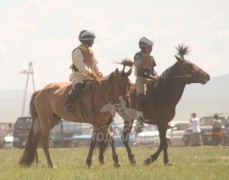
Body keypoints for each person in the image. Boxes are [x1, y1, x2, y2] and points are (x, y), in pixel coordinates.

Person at [64, 29, 102, 113]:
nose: (93, 42)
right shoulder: (77, 51)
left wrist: (98, 72)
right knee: (79, 86)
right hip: (79, 76)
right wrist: (90, 73)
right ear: (87, 40)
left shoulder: (90, 51)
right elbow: (80, 66)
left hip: (89, 76)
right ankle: (69, 103)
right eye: (92, 40)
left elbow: (94, 64)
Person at [134, 36, 158, 120]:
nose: (151, 48)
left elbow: (153, 69)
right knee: (141, 96)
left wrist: (155, 74)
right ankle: (139, 115)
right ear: (143, 47)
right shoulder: (139, 56)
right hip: (141, 79)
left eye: (151, 47)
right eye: (149, 47)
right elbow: (140, 71)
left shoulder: (151, 57)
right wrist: (151, 76)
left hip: (151, 78)